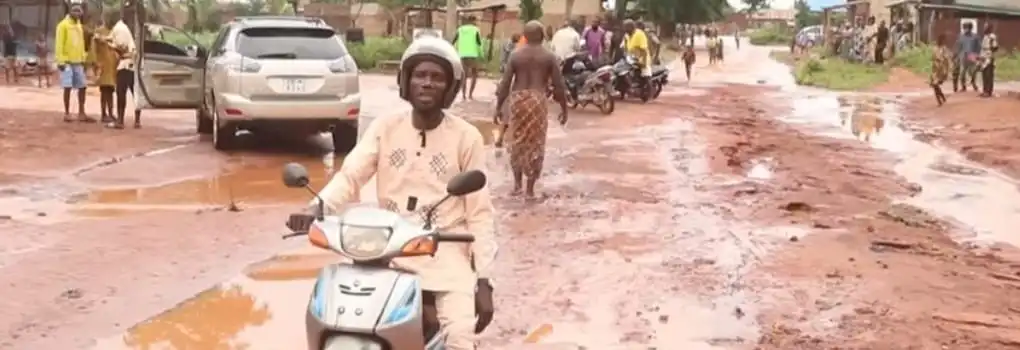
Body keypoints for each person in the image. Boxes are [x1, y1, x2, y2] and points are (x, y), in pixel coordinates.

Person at [295, 36, 496, 349]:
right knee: (339, 312)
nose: (427, 83)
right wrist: (315, 207)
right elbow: (351, 176)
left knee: (459, 336)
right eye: (419, 75)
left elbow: (480, 212)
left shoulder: (466, 137)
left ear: (449, 87)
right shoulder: (385, 127)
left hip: (443, 252)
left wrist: (484, 279)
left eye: (436, 77)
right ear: (406, 81)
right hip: (387, 250)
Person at [494, 21, 568, 199]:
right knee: (535, 143)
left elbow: (505, 84)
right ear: (542, 34)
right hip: (537, 100)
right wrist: (564, 108)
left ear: (525, 35)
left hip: (518, 99)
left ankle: (517, 185)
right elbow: (559, 86)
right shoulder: (549, 56)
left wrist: (499, 107)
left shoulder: (515, 55)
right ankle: (529, 190)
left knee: (517, 140)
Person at [103, 8, 140, 128]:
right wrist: (103, 39)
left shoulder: (119, 29)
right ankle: (137, 121)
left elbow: (121, 47)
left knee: (121, 93)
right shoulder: (120, 28)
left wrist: (110, 45)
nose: (106, 21)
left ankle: (120, 121)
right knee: (135, 94)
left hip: (125, 64)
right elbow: (110, 38)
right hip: (132, 65)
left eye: (107, 18)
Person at [55, 4, 92, 123]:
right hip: (66, 62)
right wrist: (60, 61)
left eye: (79, 11)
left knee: (83, 86)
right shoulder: (63, 25)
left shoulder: (79, 26)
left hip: (78, 62)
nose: (77, 13)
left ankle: (81, 112)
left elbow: (81, 44)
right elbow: (59, 44)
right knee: (67, 87)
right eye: (75, 11)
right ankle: (67, 113)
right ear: (70, 11)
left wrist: (83, 59)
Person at [94, 12, 119, 123]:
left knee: (111, 91)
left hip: (113, 66)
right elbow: (94, 47)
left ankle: (110, 113)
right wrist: (95, 63)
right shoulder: (99, 31)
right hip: (103, 66)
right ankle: (103, 114)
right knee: (104, 91)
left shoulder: (115, 32)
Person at [451, 16, 482, 100]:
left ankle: (464, 95)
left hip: (462, 55)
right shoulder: (476, 30)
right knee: (474, 74)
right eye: (476, 20)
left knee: (463, 75)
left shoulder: (460, 29)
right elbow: (479, 43)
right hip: (473, 55)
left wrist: (454, 52)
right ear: (473, 21)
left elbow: (453, 41)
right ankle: (470, 95)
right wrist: (481, 55)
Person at [953, 21, 979, 92]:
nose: (966, 29)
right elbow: (958, 46)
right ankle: (963, 86)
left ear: (970, 28)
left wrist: (977, 55)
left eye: (967, 28)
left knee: (972, 72)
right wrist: (956, 55)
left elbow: (978, 47)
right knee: (962, 73)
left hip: (972, 55)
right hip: (963, 55)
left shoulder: (975, 36)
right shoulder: (961, 36)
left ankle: (973, 83)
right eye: (965, 28)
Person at [930, 33, 952, 106]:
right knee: (934, 84)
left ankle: (941, 98)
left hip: (941, 69)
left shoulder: (944, 49)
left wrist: (947, 70)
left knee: (935, 84)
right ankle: (940, 99)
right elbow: (932, 58)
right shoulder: (935, 48)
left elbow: (947, 59)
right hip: (935, 68)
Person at [978, 23, 998, 98]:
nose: (984, 28)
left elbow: (995, 47)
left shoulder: (992, 36)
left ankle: (988, 91)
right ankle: (985, 90)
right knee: (984, 75)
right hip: (984, 57)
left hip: (989, 58)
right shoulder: (985, 36)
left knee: (988, 75)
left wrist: (990, 52)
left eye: (985, 27)